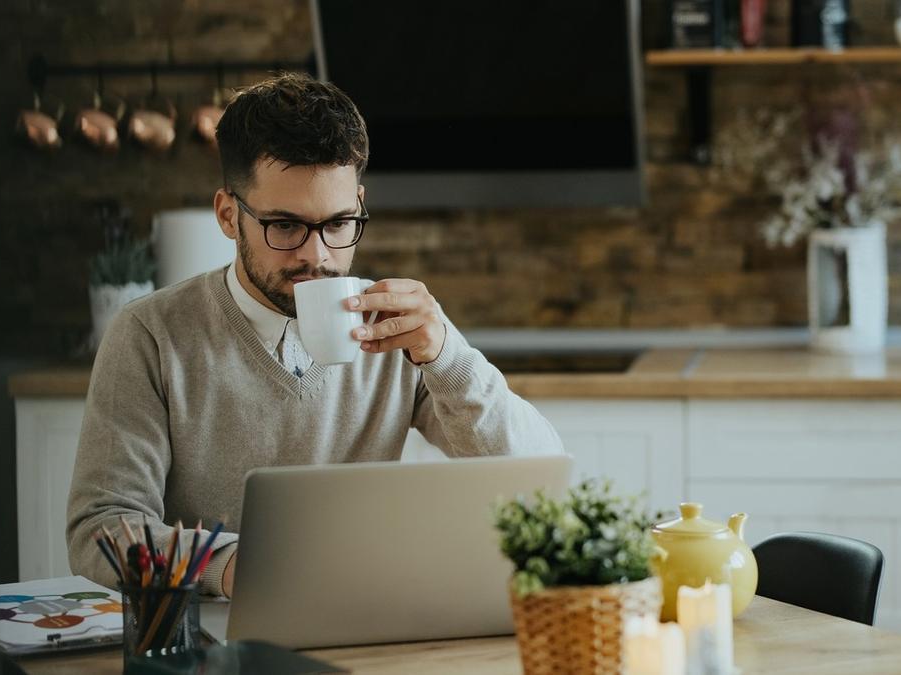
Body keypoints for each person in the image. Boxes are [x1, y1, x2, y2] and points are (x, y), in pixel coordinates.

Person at [67, 72, 564, 598]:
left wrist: (447, 358)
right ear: (229, 215)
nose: (318, 255)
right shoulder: (150, 336)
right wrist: (237, 569)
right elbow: (100, 527)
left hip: (365, 618)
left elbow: (537, 476)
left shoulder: (397, 327)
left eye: (339, 223)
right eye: (285, 226)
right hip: (210, 633)